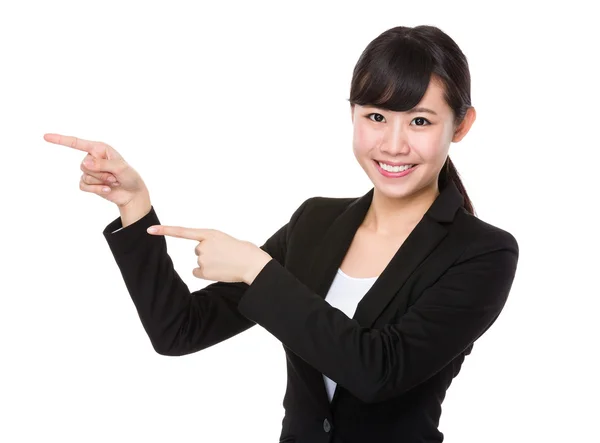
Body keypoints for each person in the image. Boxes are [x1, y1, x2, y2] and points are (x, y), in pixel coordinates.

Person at [45, 24, 519, 443]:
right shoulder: (315, 223)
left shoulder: (482, 252)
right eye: (376, 116)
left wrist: (259, 270)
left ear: (461, 125)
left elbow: (377, 371)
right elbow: (179, 330)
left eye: (419, 121)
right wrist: (135, 206)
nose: (394, 144)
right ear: (352, 114)